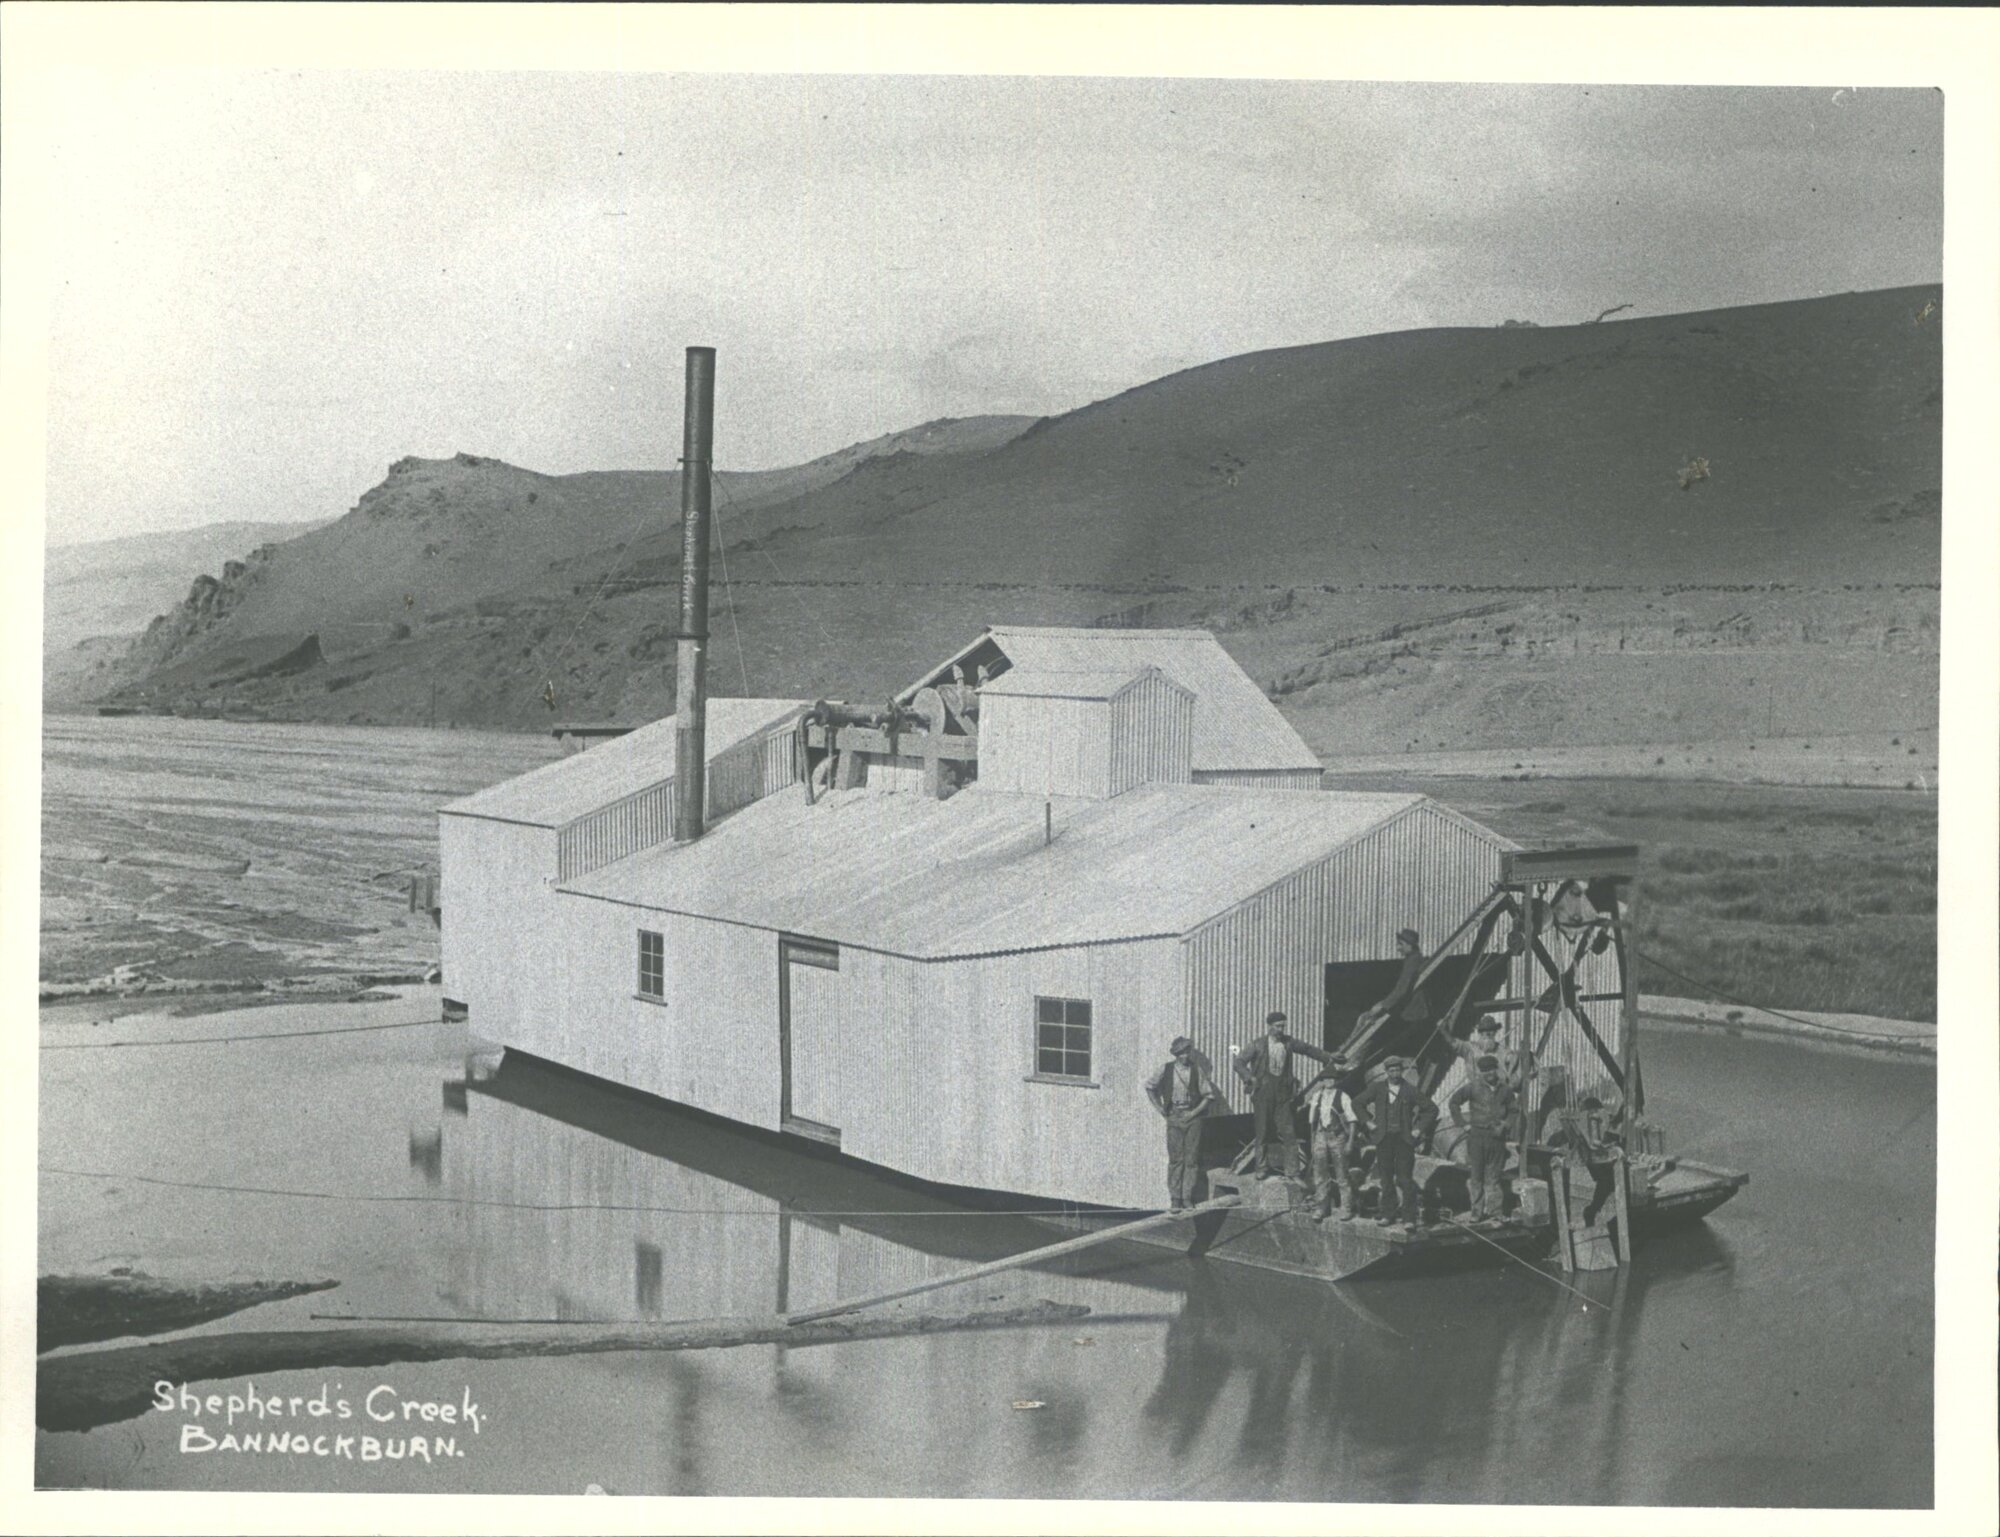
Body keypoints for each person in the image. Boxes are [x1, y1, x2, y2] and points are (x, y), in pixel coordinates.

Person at [1233, 1011, 1328, 1179]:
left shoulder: (1288, 1042)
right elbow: (1239, 1062)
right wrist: (1249, 1077)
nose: (1281, 1029)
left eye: (1283, 1026)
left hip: (1283, 1095)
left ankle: (1293, 1171)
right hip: (1263, 1093)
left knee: (1289, 1132)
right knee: (1262, 1132)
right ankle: (1261, 1168)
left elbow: (1307, 1049)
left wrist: (1327, 1057)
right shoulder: (1257, 1045)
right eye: (1277, 1026)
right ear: (1269, 1027)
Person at [1353, 1053, 1438, 1227]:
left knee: (1405, 1179)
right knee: (1385, 1178)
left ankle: (1409, 1219)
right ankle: (1387, 1214)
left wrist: (1418, 1130)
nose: (1395, 1074)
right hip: (1383, 1139)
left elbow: (1431, 1109)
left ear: (1402, 1071)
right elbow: (1357, 1103)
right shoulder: (1377, 1088)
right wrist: (1368, 1122)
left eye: (1398, 1070)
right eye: (1391, 1070)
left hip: (1404, 1140)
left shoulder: (1409, 1089)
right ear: (1386, 1072)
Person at [1146, 1036, 1221, 1212]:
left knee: (1191, 1160)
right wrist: (1161, 1109)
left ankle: (1187, 1197)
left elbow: (1208, 1096)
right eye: (1181, 1053)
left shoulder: (1197, 1070)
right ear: (1175, 1054)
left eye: (1187, 1052)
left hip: (1193, 1117)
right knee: (1175, 1160)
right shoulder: (1166, 1069)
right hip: (1174, 1116)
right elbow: (1149, 1087)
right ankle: (1175, 1199)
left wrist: (1194, 1113)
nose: (1184, 1056)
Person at [1447, 1054, 1520, 1224]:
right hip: (1477, 1137)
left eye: (1492, 1070)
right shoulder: (1472, 1088)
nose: (1489, 1074)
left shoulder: (1505, 1090)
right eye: (1485, 1071)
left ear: (1497, 1070)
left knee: (1494, 1177)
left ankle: (1495, 1211)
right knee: (1476, 1176)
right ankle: (1476, 1213)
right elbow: (1454, 1103)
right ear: (1480, 1072)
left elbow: (1514, 1111)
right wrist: (1462, 1123)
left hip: (1497, 1138)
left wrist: (1505, 1125)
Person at [1300, 1066, 1360, 1222]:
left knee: (1342, 1174)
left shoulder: (1343, 1096)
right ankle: (1322, 1207)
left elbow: (1352, 1120)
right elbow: (1312, 1122)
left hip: (1337, 1137)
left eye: (1332, 1078)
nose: (1329, 1081)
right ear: (1322, 1081)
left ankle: (1346, 1208)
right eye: (1326, 1078)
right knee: (1320, 1174)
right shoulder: (1317, 1096)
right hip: (1320, 1136)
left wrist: (1350, 1142)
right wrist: (1313, 1141)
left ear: (1337, 1080)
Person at [1357, 929, 1432, 1035]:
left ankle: (1348, 1049)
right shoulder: (1412, 959)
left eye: (1400, 944)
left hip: (1411, 1013)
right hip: (1409, 1011)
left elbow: (1401, 990)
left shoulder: (1413, 961)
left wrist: (1383, 1005)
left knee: (1367, 1020)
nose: (1397, 948)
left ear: (1410, 945)